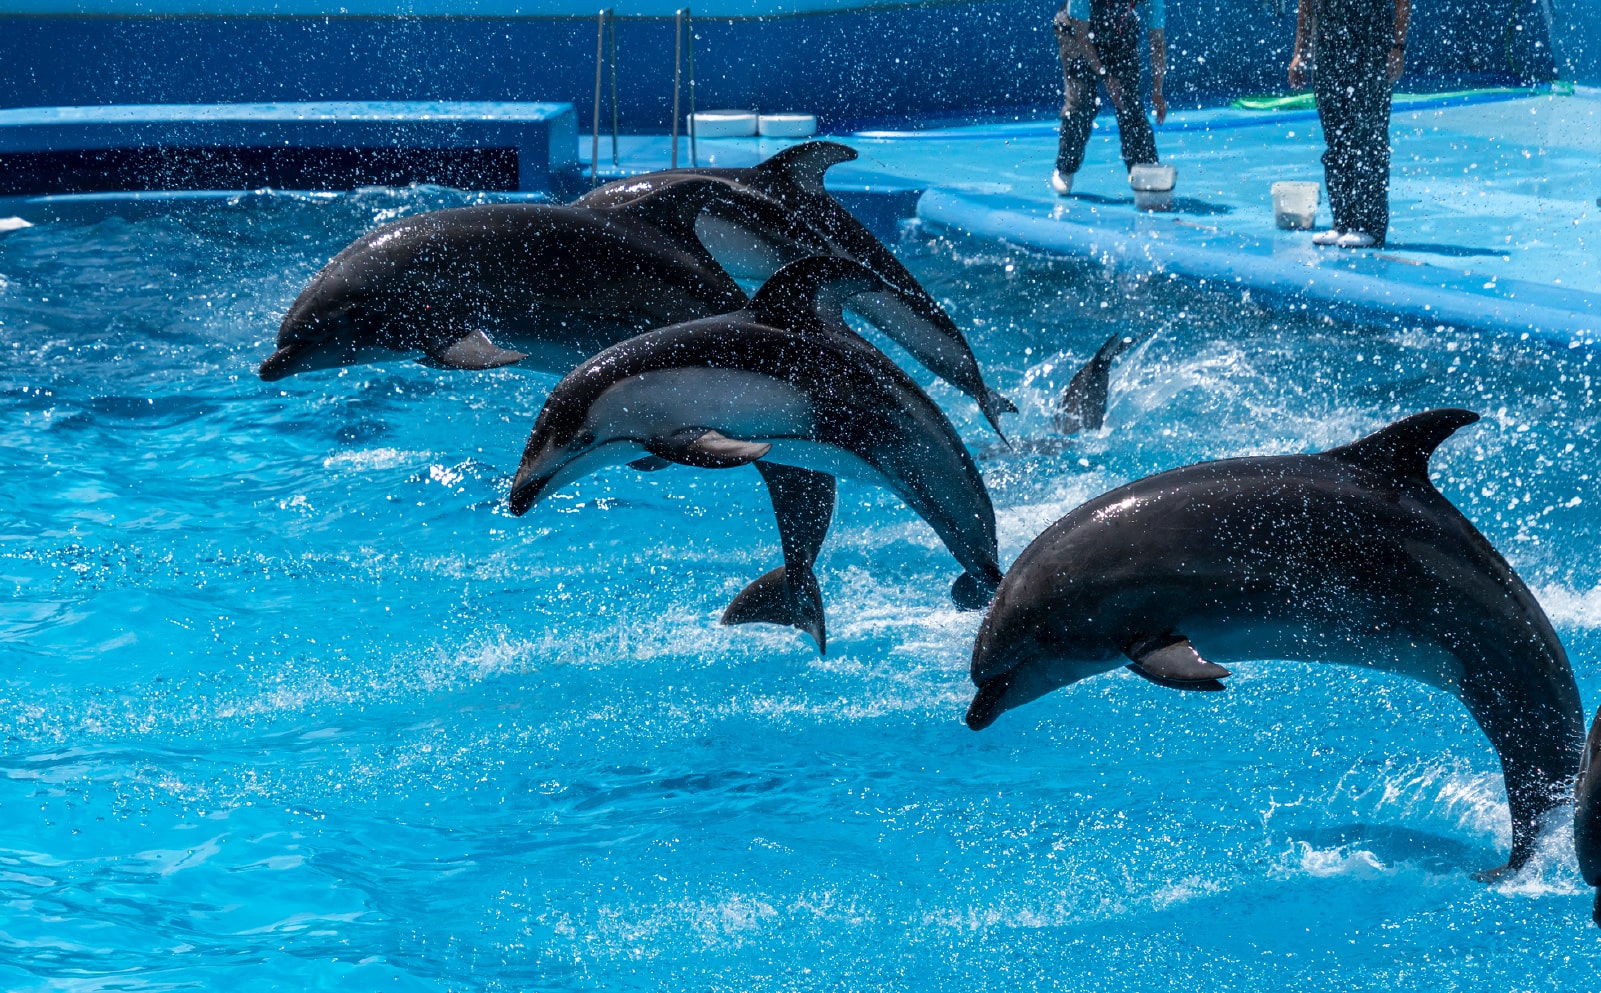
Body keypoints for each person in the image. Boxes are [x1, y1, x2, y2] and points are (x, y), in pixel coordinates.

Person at [1288, 0, 1411, 248]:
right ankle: (1342, 221)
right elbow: (1306, 3)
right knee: (1336, 139)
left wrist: (1398, 47)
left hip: (1371, 44)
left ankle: (1369, 225)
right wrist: (1300, 52)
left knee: (1368, 137)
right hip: (1327, 46)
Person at [1050, 0, 1169, 196]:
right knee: (1082, 103)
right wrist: (1105, 75)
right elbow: (1081, 35)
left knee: (1130, 106)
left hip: (1119, 34)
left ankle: (1146, 175)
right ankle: (1066, 166)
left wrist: (1158, 90)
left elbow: (1157, 41)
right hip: (1076, 33)